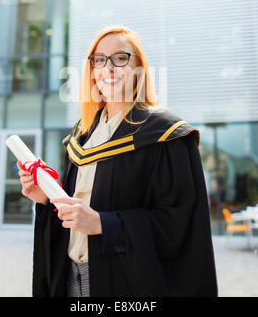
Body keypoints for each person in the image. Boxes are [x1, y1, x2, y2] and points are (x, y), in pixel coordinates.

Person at [18, 25, 218, 297]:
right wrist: (46, 199)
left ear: (139, 68)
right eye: (99, 60)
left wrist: (104, 223)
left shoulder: (165, 135)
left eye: (120, 58)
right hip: (68, 277)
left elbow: (179, 223)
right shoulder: (82, 136)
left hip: (125, 282)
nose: (108, 68)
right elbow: (73, 215)